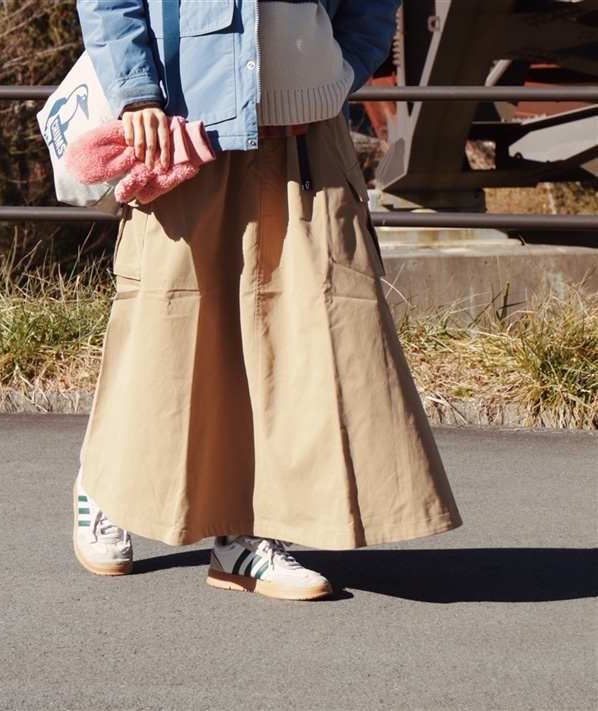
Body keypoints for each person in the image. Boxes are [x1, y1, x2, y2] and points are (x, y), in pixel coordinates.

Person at [72, 0, 462, 601]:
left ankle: (246, 537)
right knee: (169, 325)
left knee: (321, 325)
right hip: (184, 124)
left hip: (310, 130)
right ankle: (107, 486)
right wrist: (137, 91)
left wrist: (336, 72)